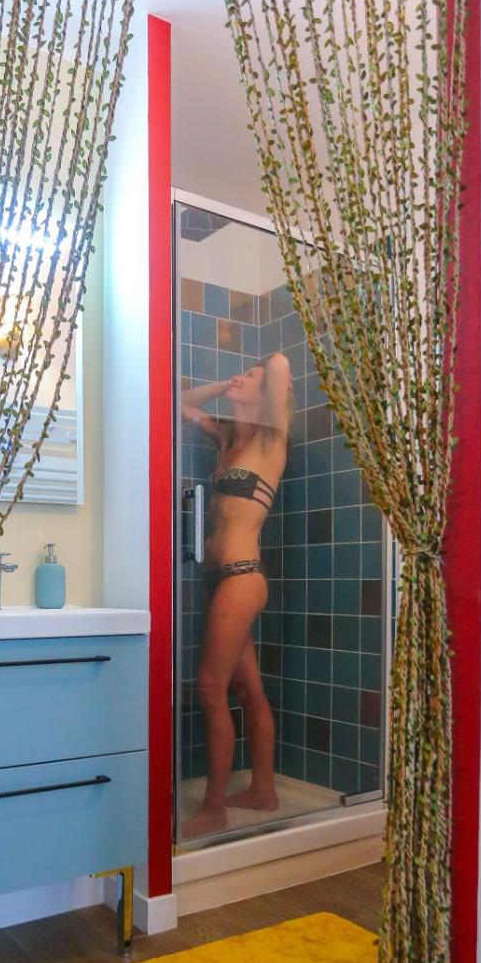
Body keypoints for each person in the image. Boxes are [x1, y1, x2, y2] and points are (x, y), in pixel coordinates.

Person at [181, 352, 293, 838]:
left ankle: (214, 807)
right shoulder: (228, 438)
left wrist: (265, 373)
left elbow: (281, 363)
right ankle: (263, 791)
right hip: (220, 580)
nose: (241, 377)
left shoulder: (271, 439)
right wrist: (224, 386)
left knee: (210, 688)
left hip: (242, 577)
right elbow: (180, 403)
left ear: (266, 393)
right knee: (248, 690)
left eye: (250, 376)